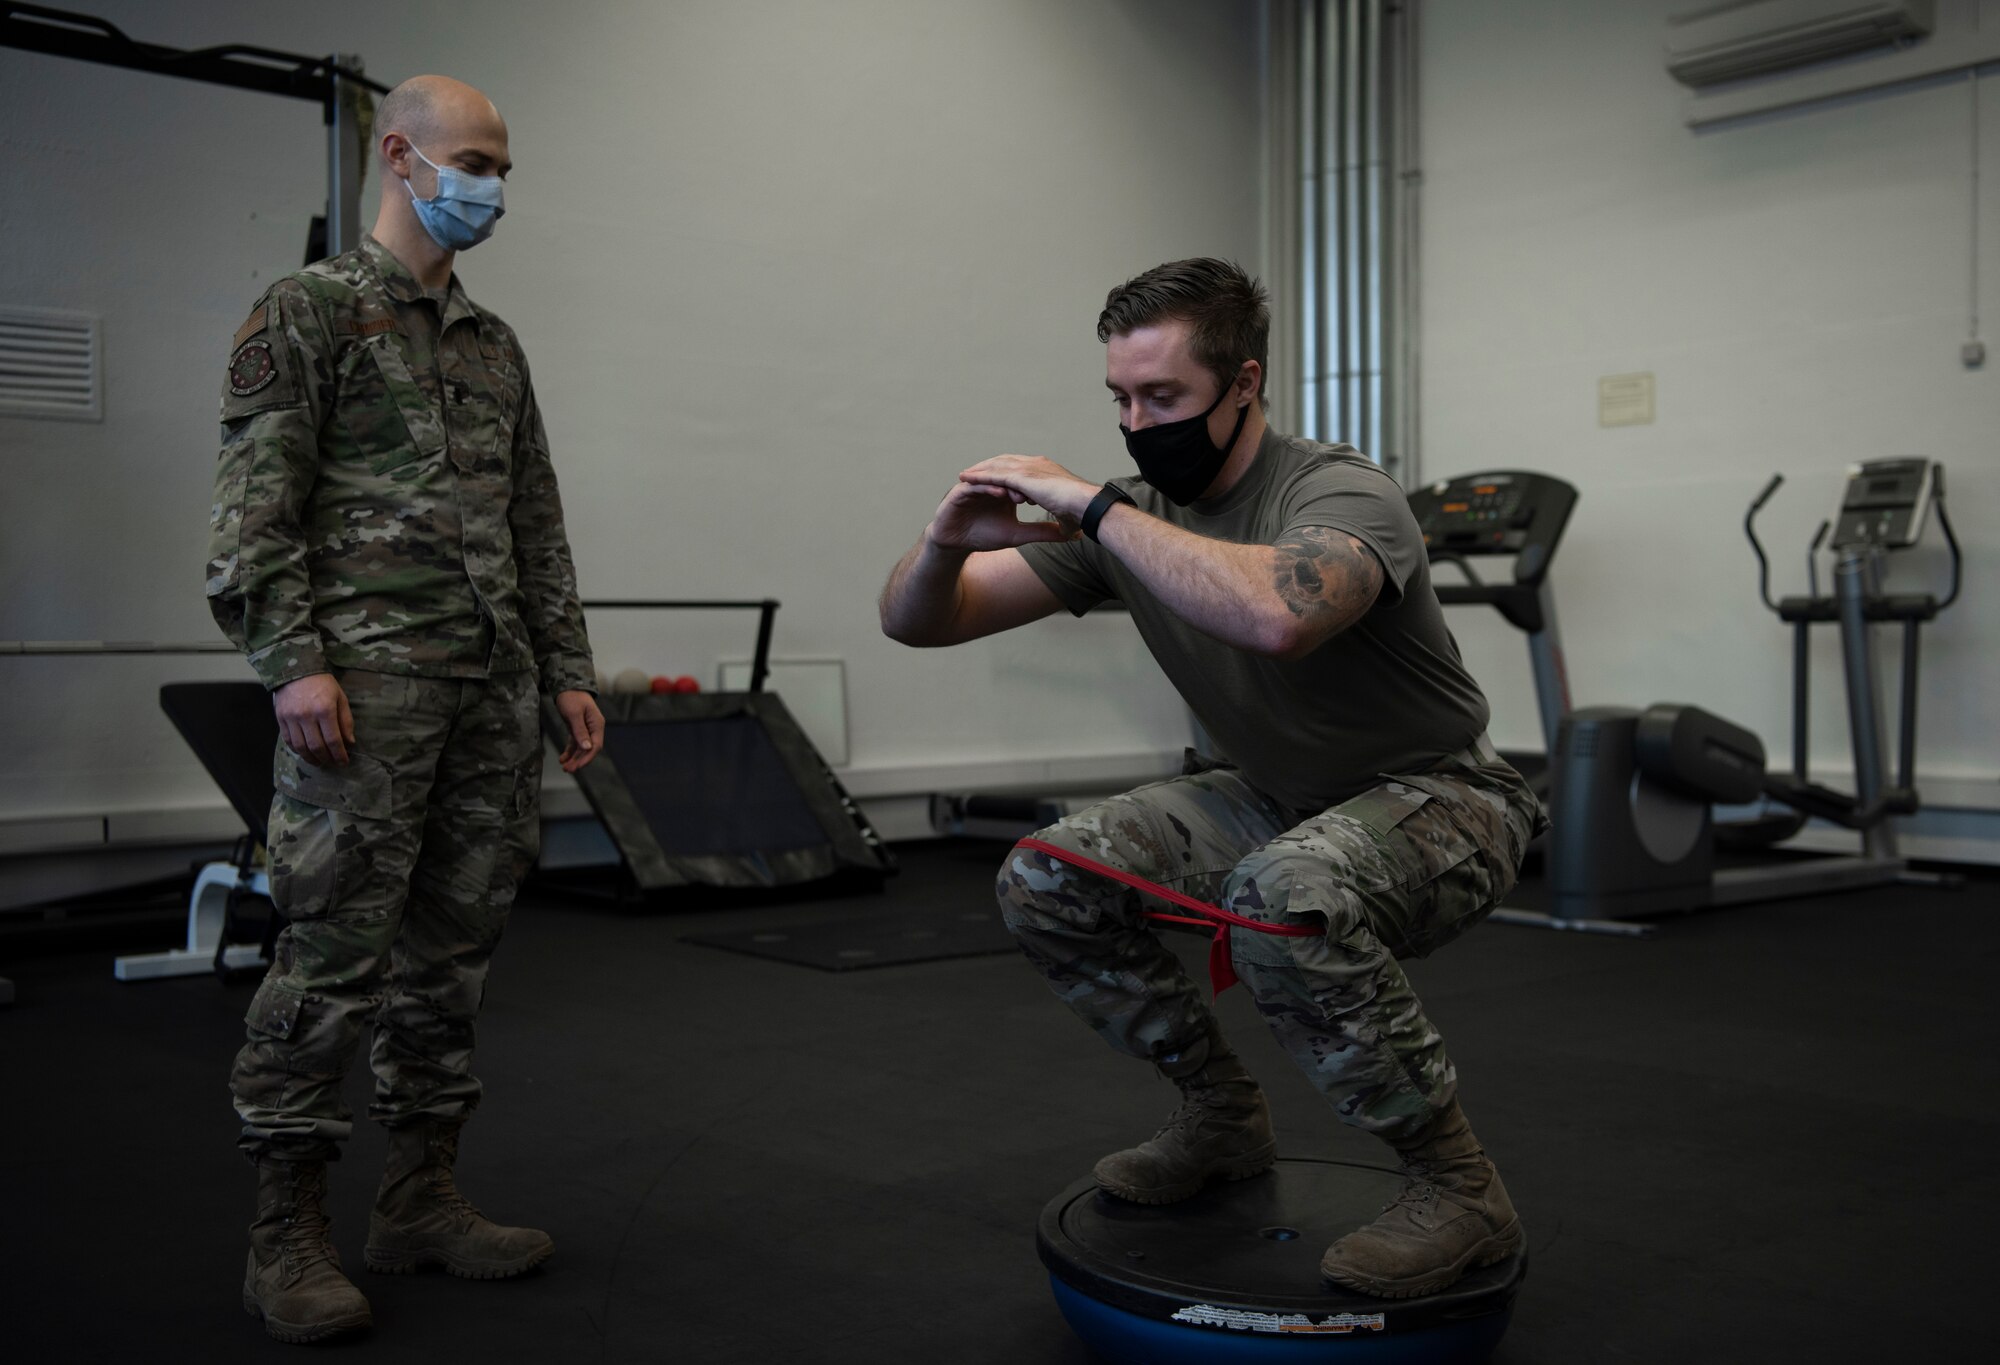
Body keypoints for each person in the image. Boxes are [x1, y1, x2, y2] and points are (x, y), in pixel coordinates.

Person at [878, 258, 1541, 1300]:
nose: (1140, 424)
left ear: (1243, 385)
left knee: (1282, 895)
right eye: (1122, 400)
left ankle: (1460, 1189)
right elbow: (922, 623)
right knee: (1046, 873)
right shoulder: (1133, 517)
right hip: (1272, 794)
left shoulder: (1336, 490)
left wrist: (1096, 510)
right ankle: (1220, 1117)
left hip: (1444, 799)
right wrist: (939, 543)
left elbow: (1278, 614)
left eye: (1165, 398)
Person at [206, 74, 603, 1343]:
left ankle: (420, 1198)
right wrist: (293, 663)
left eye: (501, 165)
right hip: (360, 695)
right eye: (473, 158)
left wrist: (566, 669)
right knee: (331, 952)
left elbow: (532, 521)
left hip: (487, 692)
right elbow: (251, 514)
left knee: (452, 957)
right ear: (398, 153)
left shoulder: (493, 343)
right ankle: (286, 1233)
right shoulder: (306, 312)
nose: (489, 184)